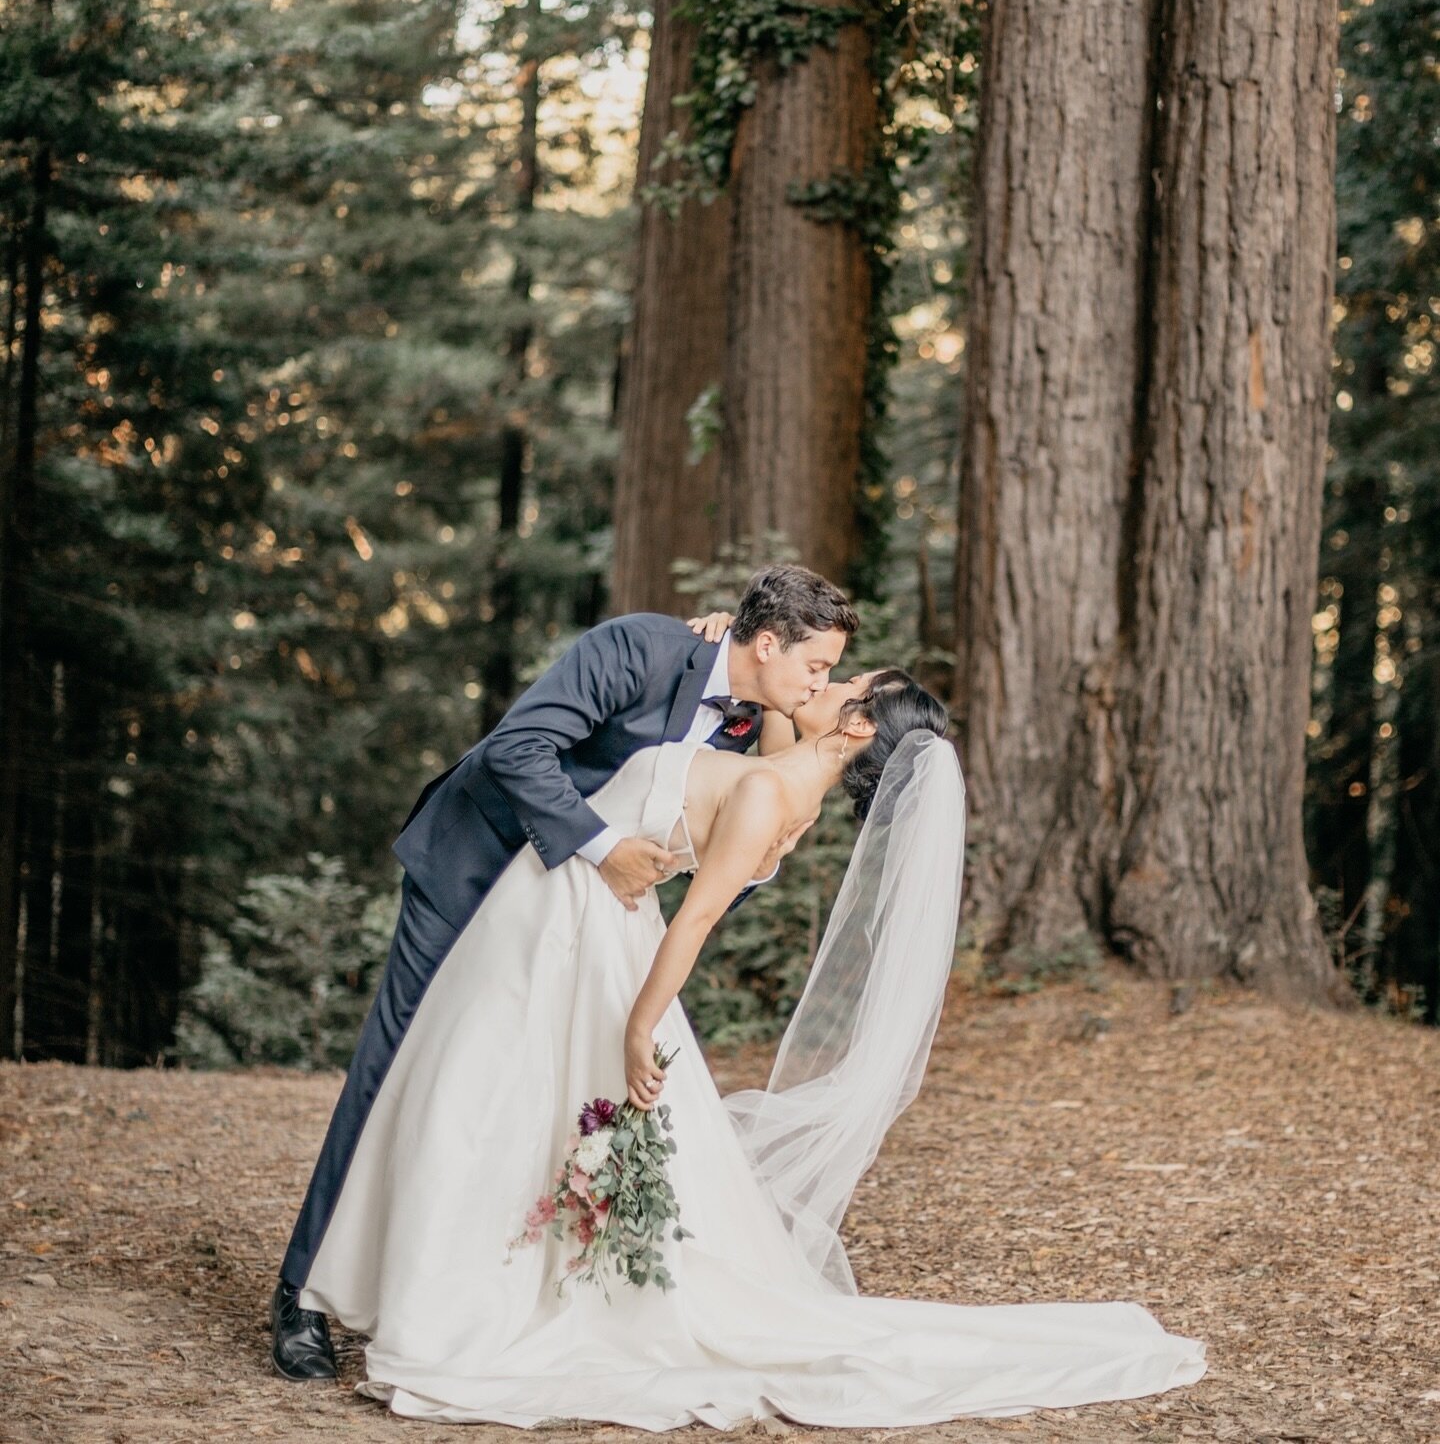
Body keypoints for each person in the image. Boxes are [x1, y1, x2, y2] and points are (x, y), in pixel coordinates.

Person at [295, 663, 1209, 1427]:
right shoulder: (791, 784)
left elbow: (692, 924)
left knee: (476, 1098)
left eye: (846, 681)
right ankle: (438, 1284)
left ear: (856, 726)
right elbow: (771, 708)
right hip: (568, 912)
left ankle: (446, 1301)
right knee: (496, 1102)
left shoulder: (773, 791)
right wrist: (738, 655)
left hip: (587, 931)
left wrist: (640, 1024)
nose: (830, 679)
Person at [270, 563, 859, 1380]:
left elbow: (725, 826)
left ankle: (443, 1289)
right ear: (766, 643)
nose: (821, 681)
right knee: (397, 1064)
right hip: (479, 869)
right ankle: (301, 1294)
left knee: (514, 1093)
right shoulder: (638, 649)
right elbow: (518, 746)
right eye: (816, 665)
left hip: (575, 919)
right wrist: (603, 845)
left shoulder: (746, 718)